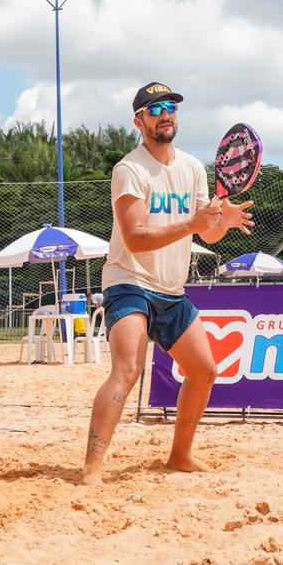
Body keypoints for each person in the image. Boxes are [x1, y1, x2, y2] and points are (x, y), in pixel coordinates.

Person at [80, 82, 254, 486]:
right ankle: (92, 468)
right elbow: (137, 238)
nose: (166, 114)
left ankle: (179, 456)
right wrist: (193, 224)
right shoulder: (130, 169)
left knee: (205, 371)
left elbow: (206, 235)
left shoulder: (192, 167)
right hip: (130, 281)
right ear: (139, 120)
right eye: (155, 108)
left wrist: (218, 223)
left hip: (171, 289)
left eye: (171, 106)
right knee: (127, 370)